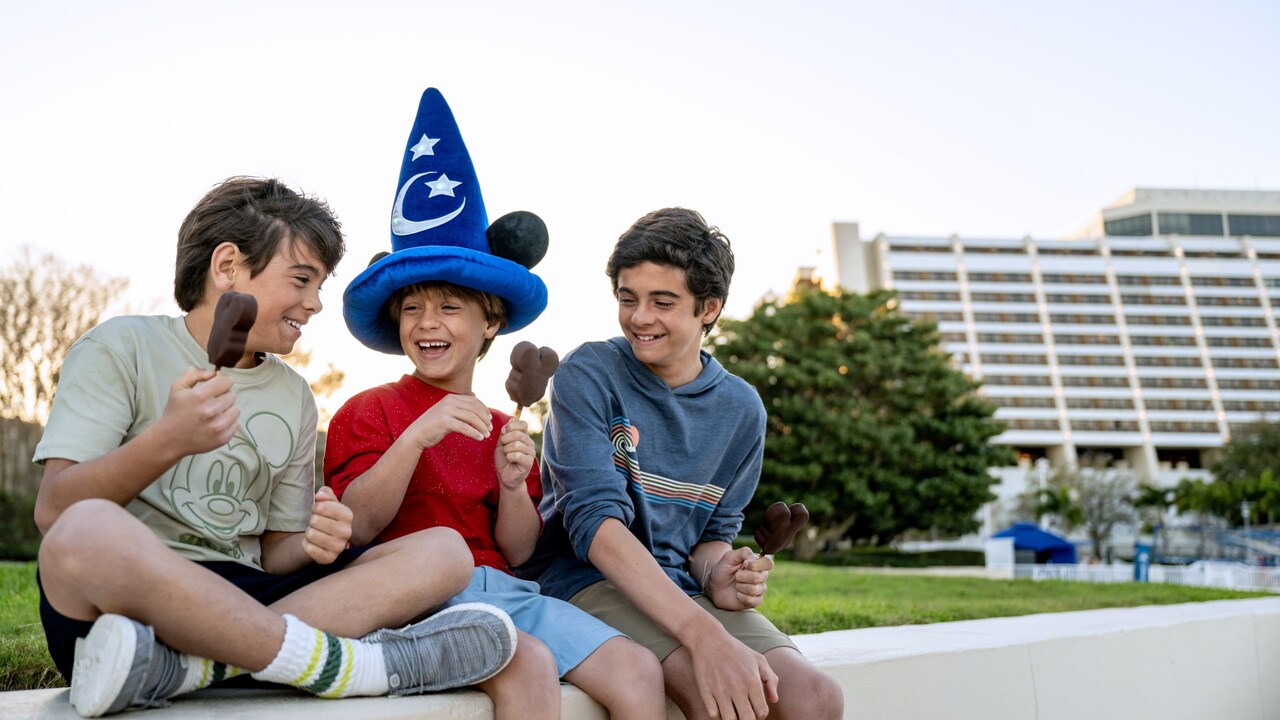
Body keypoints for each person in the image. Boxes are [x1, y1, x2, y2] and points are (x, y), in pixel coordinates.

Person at [33, 176, 516, 718]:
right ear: (227, 267)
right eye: (302, 280)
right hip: (123, 607)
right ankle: (351, 667)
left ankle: (197, 668)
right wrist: (168, 441)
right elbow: (55, 509)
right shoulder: (120, 347)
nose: (314, 304)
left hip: (247, 597)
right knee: (82, 532)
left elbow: (273, 552)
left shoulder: (293, 396)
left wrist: (311, 542)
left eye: (319, 287)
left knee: (444, 552)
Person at [325, 87, 665, 720]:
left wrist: (513, 485)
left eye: (450, 307)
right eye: (412, 308)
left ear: (490, 323)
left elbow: (516, 551)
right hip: (415, 596)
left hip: (505, 588)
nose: (429, 322)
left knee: (637, 670)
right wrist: (415, 438)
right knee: (528, 664)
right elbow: (358, 528)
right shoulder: (366, 411)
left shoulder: (503, 425)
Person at [519, 207, 845, 720]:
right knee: (719, 694)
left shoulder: (743, 409)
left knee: (815, 698)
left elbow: (712, 535)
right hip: (580, 579)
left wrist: (720, 575)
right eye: (628, 299)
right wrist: (704, 635)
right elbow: (596, 528)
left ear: (709, 307)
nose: (639, 317)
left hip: (680, 586)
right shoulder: (590, 373)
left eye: (662, 302)